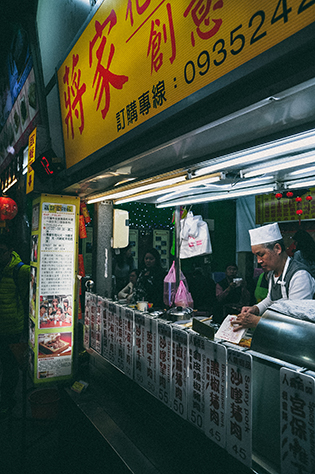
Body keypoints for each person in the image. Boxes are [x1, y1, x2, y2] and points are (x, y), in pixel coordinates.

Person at [232, 223, 315, 331]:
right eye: (256, 256)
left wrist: (257, 321)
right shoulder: (272, 273)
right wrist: (256, 309)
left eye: (261, 254)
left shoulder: (299, 275)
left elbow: (296, 322)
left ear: (277, 248)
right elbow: (271, 299)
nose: (258, 261)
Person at [0, 233, 30, 418]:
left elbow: (29, 300)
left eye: (2, 251)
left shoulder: (21, 271)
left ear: (10, 251)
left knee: (10, 369)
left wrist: (26, 332)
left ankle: (6, 401)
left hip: (12, 330)